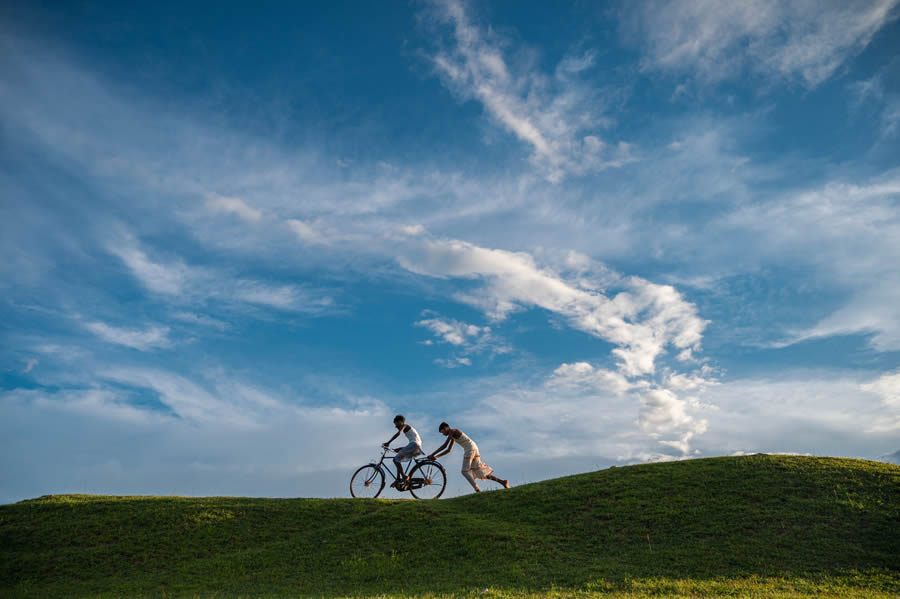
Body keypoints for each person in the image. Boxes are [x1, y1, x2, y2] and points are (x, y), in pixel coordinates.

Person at [427, 422, 509, 492]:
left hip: (470, 449)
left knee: (464, 471)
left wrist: (432, 454)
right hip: (474, 448)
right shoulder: (452, 435)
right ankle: (503, 482)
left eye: (442, 432)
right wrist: (437, 456)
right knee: (479, 471)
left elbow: (444, 445)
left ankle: (477, 490)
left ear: (446, 428)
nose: (443, 434)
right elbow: (448, 450)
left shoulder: (453, 431)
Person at [382, 414, 422, 488]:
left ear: (401, 422)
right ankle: (398, 479)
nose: (396, 426)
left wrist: (388, 442)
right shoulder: (409, 429)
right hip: (415, 445)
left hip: (414, 444)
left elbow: (398, 434)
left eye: (396, 424)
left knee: (395, 460)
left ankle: (404, 477)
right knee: (398, 459)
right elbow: (413, 440)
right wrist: (401, 448)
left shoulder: (405, 426)